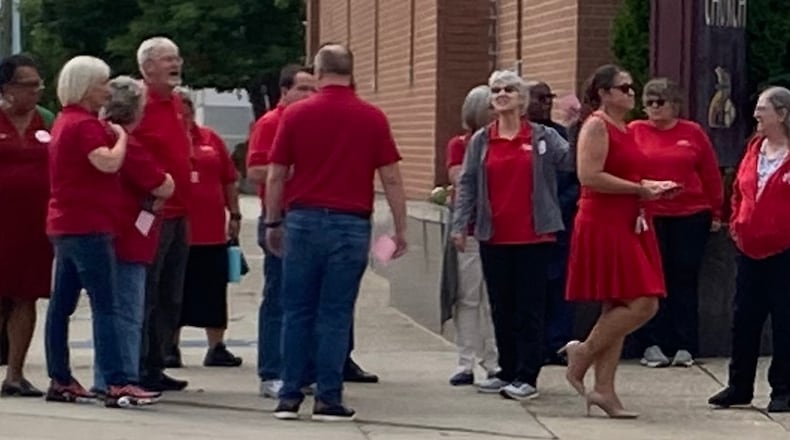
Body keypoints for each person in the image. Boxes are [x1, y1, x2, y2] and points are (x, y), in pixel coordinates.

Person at [265, 43, 407, 422]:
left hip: (303, 220)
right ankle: (329, 396)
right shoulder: (372, 118)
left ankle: (289, 394)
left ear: (317, 71)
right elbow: (391, 177)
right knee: (335, 312)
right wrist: (400, 228)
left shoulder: (296, 115)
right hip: (350, 223)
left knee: (297, 310)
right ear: (351, 71)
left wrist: (273, 221)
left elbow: (276, 174)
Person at [560, 64, 679, 418]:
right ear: (604, 93)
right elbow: (589, 176)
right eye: (624, 88)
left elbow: (625, 172)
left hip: (628, 218)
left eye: (631, 87)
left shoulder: (624, 127)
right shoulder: (596, 125)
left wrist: (650, 186)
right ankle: (583, 352)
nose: (631, 93)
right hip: (603, 220)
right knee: (643, 302)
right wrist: (640, 189)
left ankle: (604, 390)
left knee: (617, 304)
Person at [45, 56, 160, 407]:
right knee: (106, 305)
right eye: (101, 83)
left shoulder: (63, 121)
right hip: (89, 224)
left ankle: (60, 377)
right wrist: (121, 139)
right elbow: (106, 162)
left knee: (61, 305)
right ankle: (116, 381)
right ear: (85, 87)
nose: (107, 91)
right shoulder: (86, 125)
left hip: (65, 222)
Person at [452, 70, 573, 401]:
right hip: (494, 235)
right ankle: (505, 370)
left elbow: (571, 161)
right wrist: (460, 225)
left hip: (534, 236)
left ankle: (527, 375)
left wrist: (576, 125)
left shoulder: (543, 136)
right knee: (501, 307)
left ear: (522, 99)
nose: (501, 94)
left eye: (508, 89)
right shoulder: (481, 140)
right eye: (496, 90)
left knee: (529, 308)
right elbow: (467, 183)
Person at [630, 78, 724, 368]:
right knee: (652, 280)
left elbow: (710, 173)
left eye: (660, 102)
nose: (654, 108)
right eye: (649, 103)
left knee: (684, 277)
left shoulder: (692, 132)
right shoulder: (635, 131)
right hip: (651, 214)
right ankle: (652, 343)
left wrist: (717, 212)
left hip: (690, 214)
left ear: (675, 104)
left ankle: (686, 345)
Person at [708, 86, 790, 413]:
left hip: (785, 252)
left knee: (785, 321)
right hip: (749, 249)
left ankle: (783, 390)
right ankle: (738, 386)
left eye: (763, 109)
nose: (756, 114)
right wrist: (736, 223)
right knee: (744, 319)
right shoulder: (754, 149)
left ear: (782, 114)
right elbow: (739, 193)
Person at [92, 76, 175, 395]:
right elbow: (162, 184)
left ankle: (109, 376)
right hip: (128, 234)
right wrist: (165, 183)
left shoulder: (101, 136)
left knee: (110, 308)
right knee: (127, 311)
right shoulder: (128, 144)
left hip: (110, 230)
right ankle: (122, 377)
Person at [247, 64, 317, 397]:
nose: (309, 95)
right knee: (279, 296)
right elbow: (255, 170)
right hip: (281, 216)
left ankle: (301, 369)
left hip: (309, 215)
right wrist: (290, 170)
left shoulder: (314, 122)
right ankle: (271, 372)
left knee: (307, 298)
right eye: (303, 89)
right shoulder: (271, 123)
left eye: (314, 89)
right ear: (284, 92)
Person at [134, 36, 191, 391]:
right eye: (168, 59)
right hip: (152, 212)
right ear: (147, 67)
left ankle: (158, 361)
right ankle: (139, 364)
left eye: (177, 58)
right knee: (148, 291)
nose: (176, 64)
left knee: (172, 294)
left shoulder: (176, 103)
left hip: (180, 212)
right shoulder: (138, 104)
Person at [176, 90, 243, 367]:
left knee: (214, 290)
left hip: (212, 230)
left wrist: (235, 214)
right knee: (175, 291)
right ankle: (169, 345)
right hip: (178, 229)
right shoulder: (165, 141)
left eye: (188, 112)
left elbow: (229, 179)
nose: (184, 118)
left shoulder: (210, 138)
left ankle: (216, 346)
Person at [0, 54, 51, 397]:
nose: (35, 91)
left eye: (38, 85)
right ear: (7, 88)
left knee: (25, 295)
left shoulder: (46, 120)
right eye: (28, 85)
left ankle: (15, 374)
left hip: (34, 223)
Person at [442, 85, 499, 386]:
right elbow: (460, 180)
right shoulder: (459, 145)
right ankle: (465, 362)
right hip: (471, 230)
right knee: (467, 297)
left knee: (492, 299)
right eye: (490, 107)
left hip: (499, 230)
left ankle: (493, 360)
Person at [526, 81, 579, 366]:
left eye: (550, 98)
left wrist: (558, 205)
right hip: (526, 225)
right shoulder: (519, 134)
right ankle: (533, 345)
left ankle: (558, 344)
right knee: (532, 287)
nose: (546, 103)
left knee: (560, 284)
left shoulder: (561, 136)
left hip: (560, 221)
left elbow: (577, 179)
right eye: (540, 98)